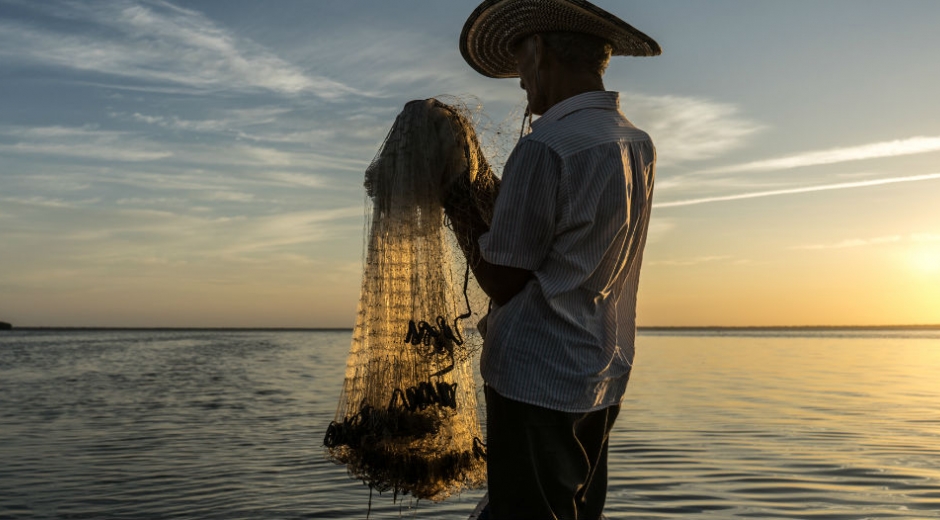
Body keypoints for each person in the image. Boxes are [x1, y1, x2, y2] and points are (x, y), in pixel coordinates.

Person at [445, 1, 662, 518]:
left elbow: (502, 278)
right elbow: (559, 234)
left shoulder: (547, 147)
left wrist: (454, 196)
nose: (520, 82)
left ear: (539, 51)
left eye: (520, 61)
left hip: (535, 378)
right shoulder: (636, 144)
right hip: (600, 372)